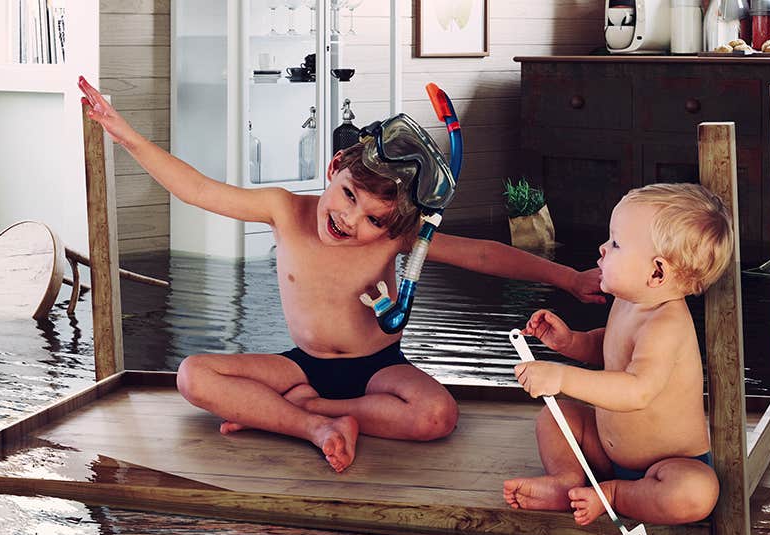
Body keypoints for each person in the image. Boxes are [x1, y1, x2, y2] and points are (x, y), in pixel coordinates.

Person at [79, 77, 605, 474]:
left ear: (393, 225)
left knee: (437, 416)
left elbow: (486, 256)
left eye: (374, 219)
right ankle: (314, 424)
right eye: (350, 195)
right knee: (194, 375)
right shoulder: (284, 210)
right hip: (300, 366)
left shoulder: (401, 240)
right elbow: (198, 189)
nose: (351, 219)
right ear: (334, 168)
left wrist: (566, 278)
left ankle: (308, 412)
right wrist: (126, 135)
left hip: (378, 368)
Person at [503, 183, 733, 526]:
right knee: (556, 416)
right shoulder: (630, 301)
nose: (602, 248)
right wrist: (570, 342)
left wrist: (562, 377)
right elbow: (609, 349)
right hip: (609, 450)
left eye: (616, 243)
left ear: (657, 272)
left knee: (695, 493)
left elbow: (636, 388)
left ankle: (612, 494)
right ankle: (566, 481)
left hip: (667, 465)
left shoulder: (665, 324)